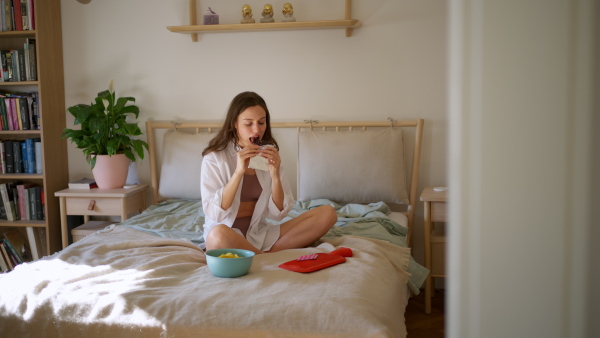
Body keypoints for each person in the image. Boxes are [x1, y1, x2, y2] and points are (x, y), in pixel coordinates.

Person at [201, 92, 337, 254]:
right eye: (248, 124)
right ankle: (268, 258)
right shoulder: (215, 158)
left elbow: (278, 214)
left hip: (260, 234)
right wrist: (238, 172)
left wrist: (275, 175)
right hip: (227, 236)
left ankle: (259, 256)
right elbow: (214, 212)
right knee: (217, 235)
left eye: (261, 122)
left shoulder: (268, 155)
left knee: (328, 213)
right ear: (235, 123)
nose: (257, 130)